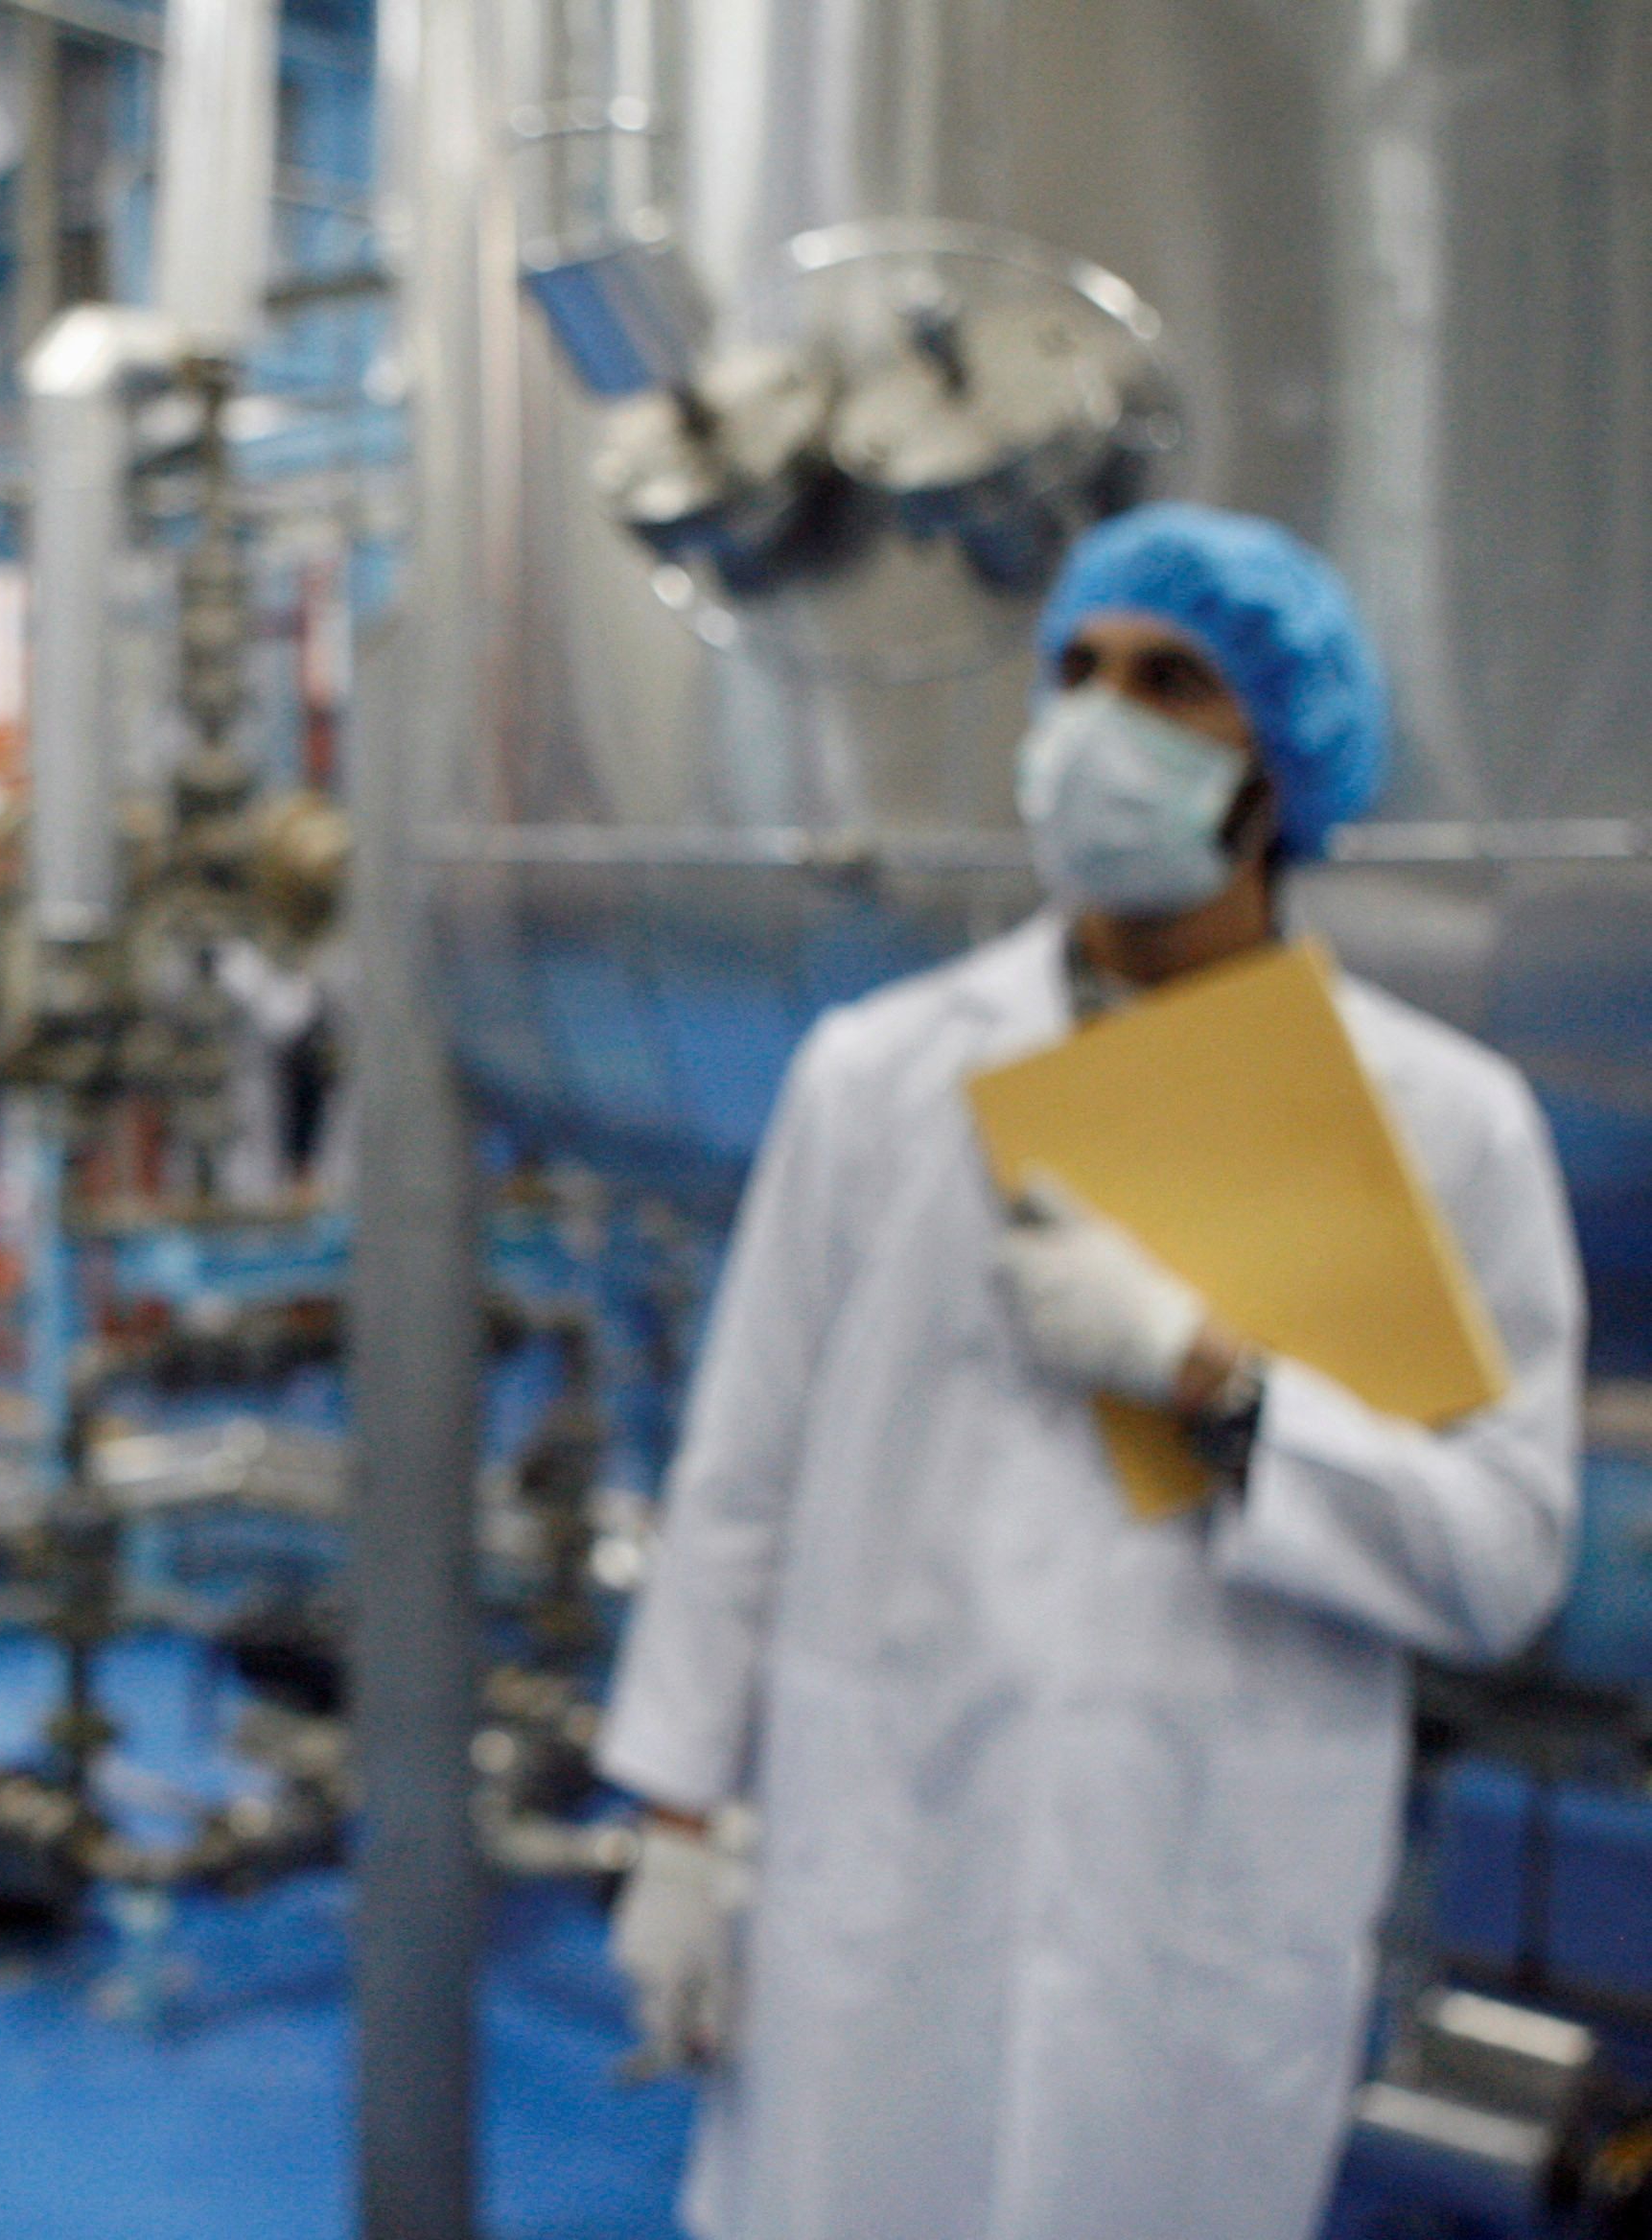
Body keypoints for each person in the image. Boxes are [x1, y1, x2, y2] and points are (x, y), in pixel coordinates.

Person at [595, 502, 1585, 2240]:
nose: (1092, 724)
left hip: (1194, 1916)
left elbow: (1505, 1556)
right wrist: (678, 1826)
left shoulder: (1440, 1128)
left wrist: (1217, 1385)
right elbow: (735, 1475)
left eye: (1169, 682)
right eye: (1073, 671)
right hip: (879, 1891)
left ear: (1279, 764)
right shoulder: (878, 1077)